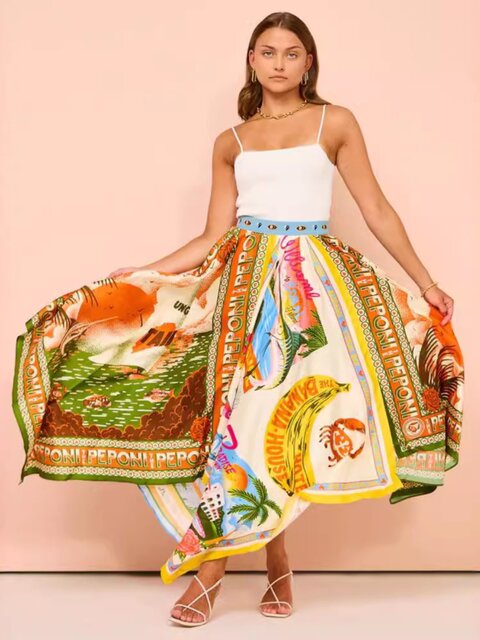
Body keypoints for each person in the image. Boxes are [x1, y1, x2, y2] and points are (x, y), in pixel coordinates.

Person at [12, 11, 464, 628]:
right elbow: (211, 235)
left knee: (266, 417)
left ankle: (211, 574)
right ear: (251, 60)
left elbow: (376, 208)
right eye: (267, 52)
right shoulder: (231, 140)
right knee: (237, 423)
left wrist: (426, 282)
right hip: (241, 285)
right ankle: (277, 560)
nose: (279, 63)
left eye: (292, 53)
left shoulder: (335, 122)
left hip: (309, 292)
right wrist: (140, 275)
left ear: (308, 62)